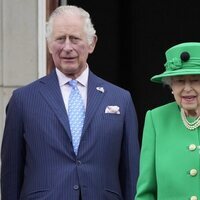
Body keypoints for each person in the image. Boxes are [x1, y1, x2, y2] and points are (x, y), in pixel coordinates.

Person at [1, 5, 140, 200]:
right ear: (49, 45)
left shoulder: (120, 99)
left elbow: (131, 173)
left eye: (75, 39)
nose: (67, 47)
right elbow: (10, 175)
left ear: (91, 43)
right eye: (60, 39)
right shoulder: (23, 100)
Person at [135, 42, 200, 200]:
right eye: (179, 81)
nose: (187, 88)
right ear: (171, 86)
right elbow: (146, 192)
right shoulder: (156, 119)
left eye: (195, 80)